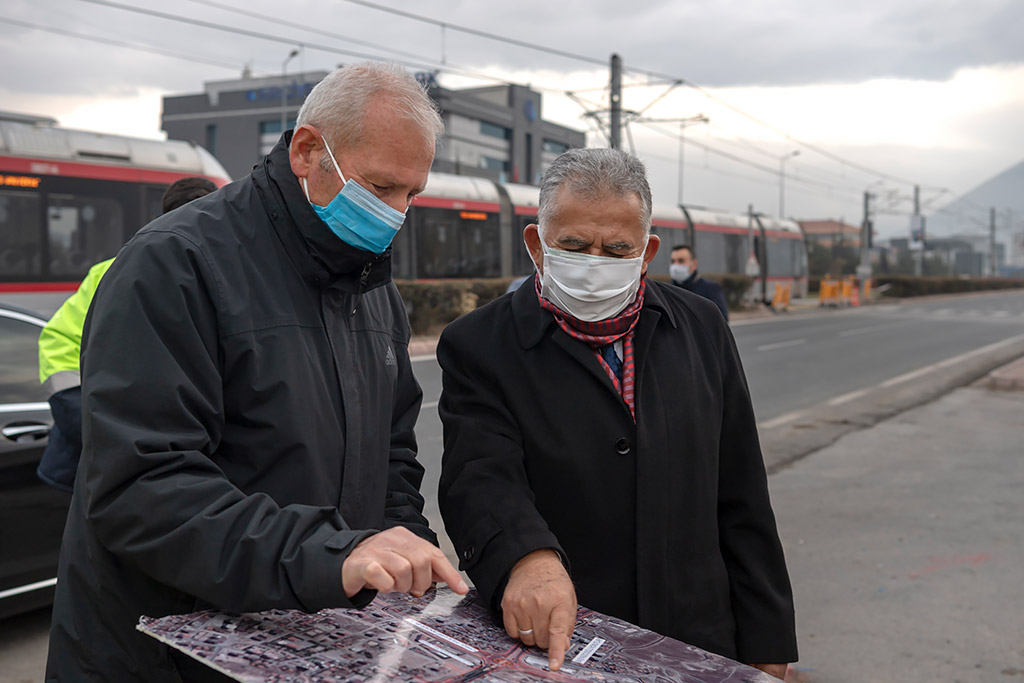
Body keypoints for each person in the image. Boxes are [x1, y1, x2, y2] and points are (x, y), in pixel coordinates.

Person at [46, 62, 467, 682]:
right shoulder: (174, 263)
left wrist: (404, 546)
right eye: (380, 188)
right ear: (306, 151)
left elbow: (391, 455)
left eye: (412, 194)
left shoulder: (373, 289)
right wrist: (336, 554)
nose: (397, 214)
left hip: (304, 642)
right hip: (167, 656)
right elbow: (142, 489)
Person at [438, 148, 796, 677]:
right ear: (537, 244)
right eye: (575, 246)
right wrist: (527, 558)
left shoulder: (701, 327)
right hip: (561, 643)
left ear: (647, 252)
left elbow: (741, 494)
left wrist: (768, 646)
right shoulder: (479, 344)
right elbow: (480, 476)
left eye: (616, 249)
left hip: (700, 639)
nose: (594, 265)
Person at [36, 177, 218, 492]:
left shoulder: (213, 277)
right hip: (101, 459)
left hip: (143, 460)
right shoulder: (120, 270)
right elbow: (63, 351)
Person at [670, 243, 729, 320]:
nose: (675, 265)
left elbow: (721, 320)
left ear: (694, 264)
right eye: (673, 261)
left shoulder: (710, 288)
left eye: (681, 261)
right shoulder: (666, 289)